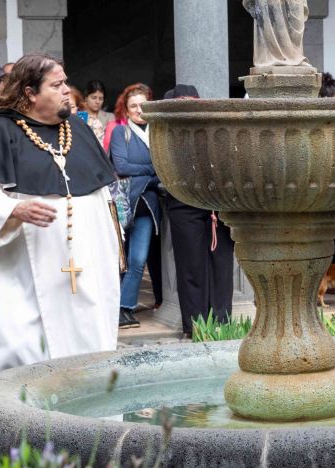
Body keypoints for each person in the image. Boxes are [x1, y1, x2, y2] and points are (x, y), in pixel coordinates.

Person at [0, 53, 120, 468]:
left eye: (66, 82)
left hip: (82, 273)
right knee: (16, 348)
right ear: (29, 93)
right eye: (57, 84)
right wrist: (14, 210)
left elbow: (101, 196)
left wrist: (111, 246)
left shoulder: (77, 133)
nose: (68, 91)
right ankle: (6, 453)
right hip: (19, 272)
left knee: (89, 347)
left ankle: (89, 445)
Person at [163, 84, 235, 337]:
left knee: (222, 267)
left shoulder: (214, 129)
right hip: (184, 204)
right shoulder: (165, 132)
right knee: (191, 268)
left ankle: (222, 324)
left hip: (219, 205)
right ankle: (195, 327)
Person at [109, 83, 162, 328]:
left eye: (143, 105)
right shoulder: (122, 133)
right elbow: (120, 167)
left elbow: (165, 172)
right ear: (126, 110)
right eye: (133, 106)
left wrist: (146, 174)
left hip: (147, 208)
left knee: (138, 259)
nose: (139, 110)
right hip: (123, 206)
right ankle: (114, 307)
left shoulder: (159, 133)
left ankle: (124, 306)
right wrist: (151, 172)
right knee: (118, 260)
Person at [82, 80, 115, 145]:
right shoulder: (80, 116)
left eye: (101, 99)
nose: (97, 101)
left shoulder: (111, 117)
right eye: (94, 98)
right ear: (86, 98)